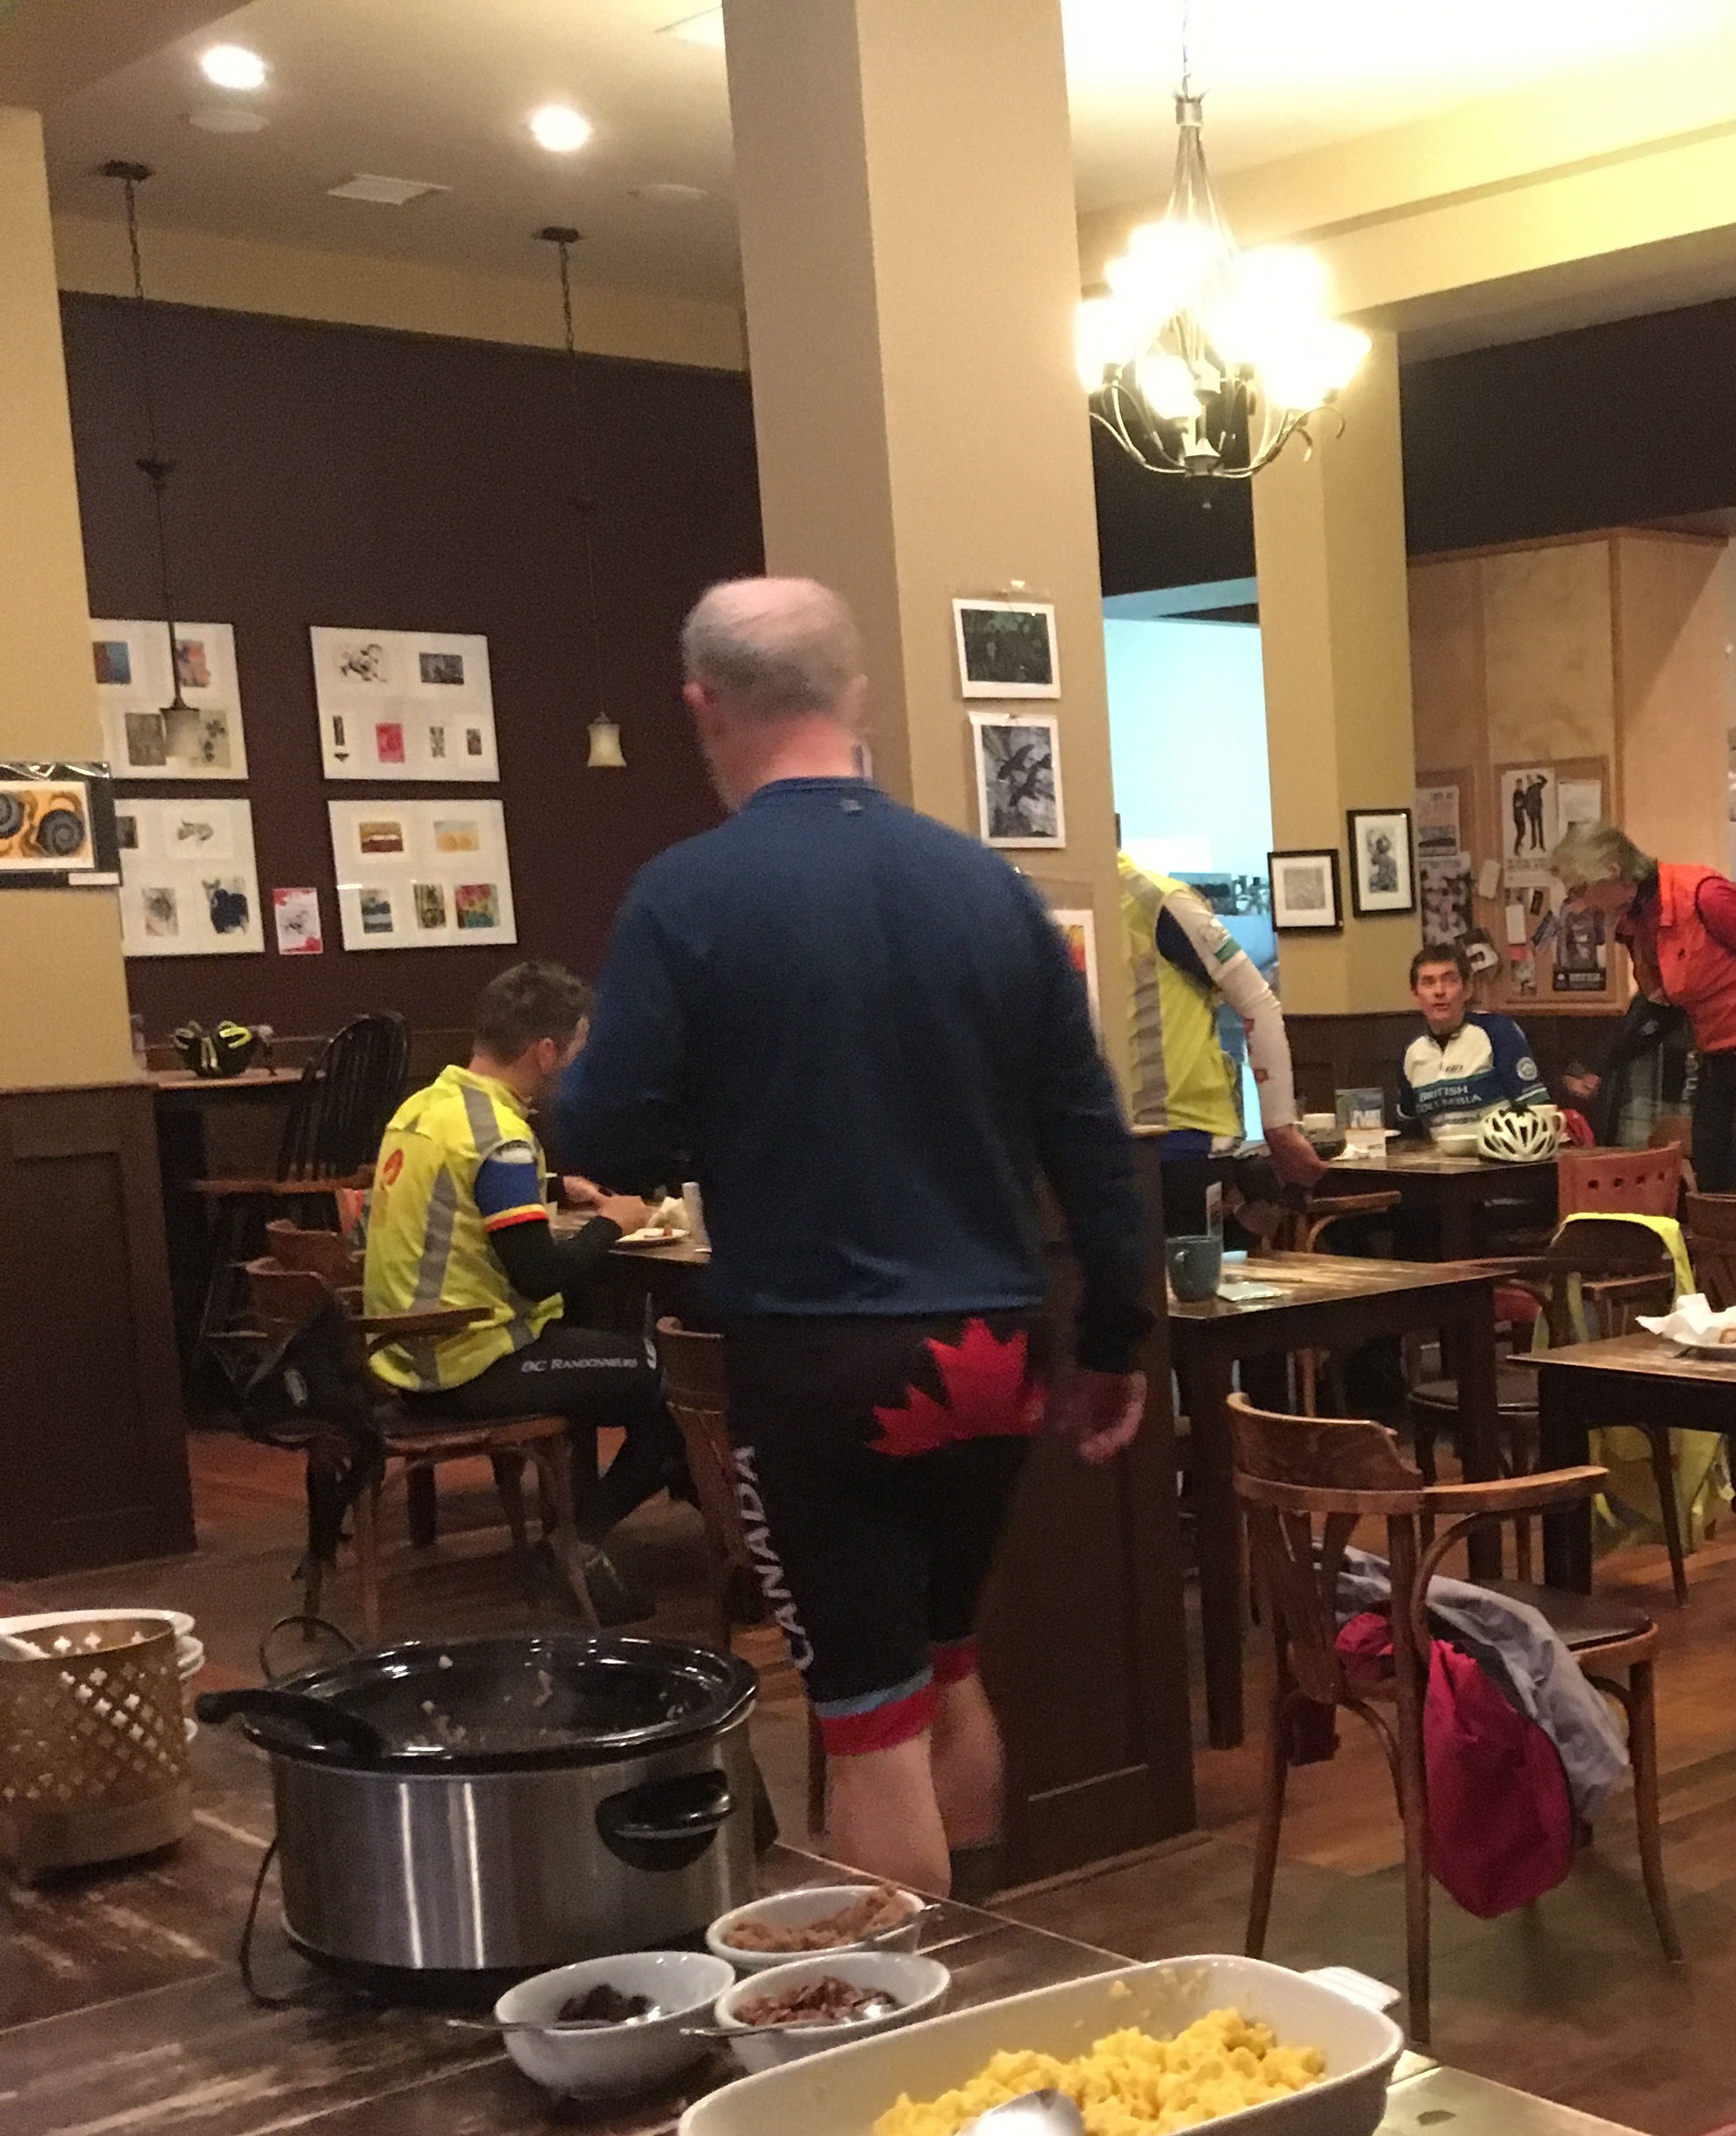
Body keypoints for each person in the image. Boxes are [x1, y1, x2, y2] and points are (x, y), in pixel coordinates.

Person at [559, 577, 1154, 1901]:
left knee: (870, 1730)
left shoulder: (686, 895)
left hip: (823, 1363)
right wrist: (1116, 1339)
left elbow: (605, 1138)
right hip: (997, 1350)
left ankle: (908, 2016)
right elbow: (1091, 1139)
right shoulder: (989, 888)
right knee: (949, 1664)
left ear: (703, 707)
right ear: (859, 695)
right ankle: (981, 1956)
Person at [363, 958, 682, 1626]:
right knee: (675, 1382)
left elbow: (456, 1198)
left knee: (609, 1364)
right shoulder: (502, 1138)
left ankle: (576, 1539)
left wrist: (553, 1189)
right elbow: (538, 1273)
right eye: (576, 1051)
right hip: (472, 1362)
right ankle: (575, 1542)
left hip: (405, 1355)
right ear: (544, 1051)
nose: (577, 1067)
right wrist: (614, 1221)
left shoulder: (424, 1109)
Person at [1551, 820, 1736, 1191]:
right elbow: (1660, 1007)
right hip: (1712, 1056)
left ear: (1612, 870)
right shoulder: (1634, 923)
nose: (1579, 905)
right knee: (1711, 1180)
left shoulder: (1703, 895)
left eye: (1580, 889)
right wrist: (1599, 1063)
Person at [1118, 848, 1325, 1223]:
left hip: (1184, 1139)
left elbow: (1257, 1001)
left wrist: (1278, 1127)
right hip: (1100, 1140)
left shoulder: (1160, 900)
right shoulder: (1045, 898)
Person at [1390, 941, 1548, 1147]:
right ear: (1415, 995)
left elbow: (1537, 1110)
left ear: (1467, 989)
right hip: (1441, 1162)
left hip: (1501, 1157)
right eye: (1428, 983)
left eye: (1450, 981)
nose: (1439, 991)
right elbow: (1408, 1131)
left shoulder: (1498, 1032)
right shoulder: (1411, 1051)